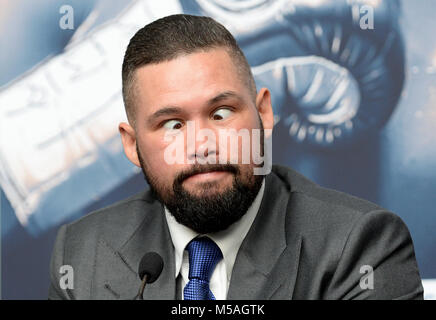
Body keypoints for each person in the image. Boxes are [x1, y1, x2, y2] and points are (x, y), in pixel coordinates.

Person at [48, 14, 423, 300]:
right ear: (132, 146)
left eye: (221, 114)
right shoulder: (81, 251)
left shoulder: (361, 245)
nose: (201, 145)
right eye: (172, 124)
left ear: (263, 113)